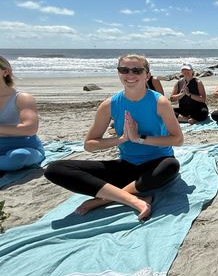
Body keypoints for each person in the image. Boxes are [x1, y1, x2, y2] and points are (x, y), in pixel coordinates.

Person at [45, 54, 183, 220]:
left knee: (171, 165)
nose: (130, 75)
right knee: (55, 169)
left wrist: (140, 138)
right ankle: (132, 199)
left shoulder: (160, 102)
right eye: (124, 70)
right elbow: (89, 145)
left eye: (136, 70)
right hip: (126, 166)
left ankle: (101, 200)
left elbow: (177, 139)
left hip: (156, 165)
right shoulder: (109, 104)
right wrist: (121, 139)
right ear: (119, 73)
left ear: (147, 75)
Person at [0, 56, 45, 173]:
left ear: (5, 72)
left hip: (24, 147)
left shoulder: (21, 98)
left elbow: (30, 129)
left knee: (18, 157)